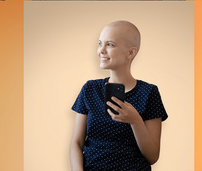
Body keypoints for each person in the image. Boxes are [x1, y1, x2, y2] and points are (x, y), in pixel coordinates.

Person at [70, 21, 166, 171]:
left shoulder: (149, 92)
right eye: (100, 43)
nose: (101, 50)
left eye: (110, 44)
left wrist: (135, 121)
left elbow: (152, 156)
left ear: (131, 53)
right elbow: (76, 143)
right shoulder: (90, 89)